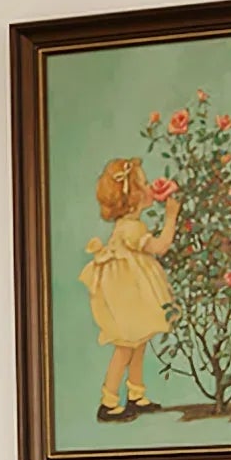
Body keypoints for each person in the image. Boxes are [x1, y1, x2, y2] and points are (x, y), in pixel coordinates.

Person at [79, 157, 180, 422]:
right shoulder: (132, 228)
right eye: (144, 184)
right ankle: (109, 402)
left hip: (130, 291)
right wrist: (171, 217)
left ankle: (136, 394)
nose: (149, 188)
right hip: (127, 295)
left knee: (138, 341)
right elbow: (159, 248)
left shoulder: (127, 226)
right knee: (125, 346)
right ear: (133, 196)